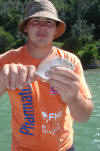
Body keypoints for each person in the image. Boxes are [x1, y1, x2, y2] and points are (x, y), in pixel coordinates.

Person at [0, 0, 93, 151]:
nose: (43, 27)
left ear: (56, 30)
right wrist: (1, 82)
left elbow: (84, 117)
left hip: (64, 147)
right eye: (36, 21)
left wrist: (74, 97)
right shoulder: (6, 61)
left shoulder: (70, 61)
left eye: (49, 22)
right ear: (26, 27)